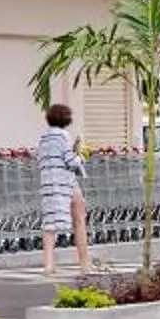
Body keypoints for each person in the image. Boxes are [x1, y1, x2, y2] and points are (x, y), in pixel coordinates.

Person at [35, 101, 90, 278]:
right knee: (80, 220)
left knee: (49, 224)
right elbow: (70, 160)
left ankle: (49, 264)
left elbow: (41, 159)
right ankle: (84, 263)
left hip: (49, 184)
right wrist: (80, 156)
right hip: (66, 183)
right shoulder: (63, 136)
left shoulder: (44, 138)